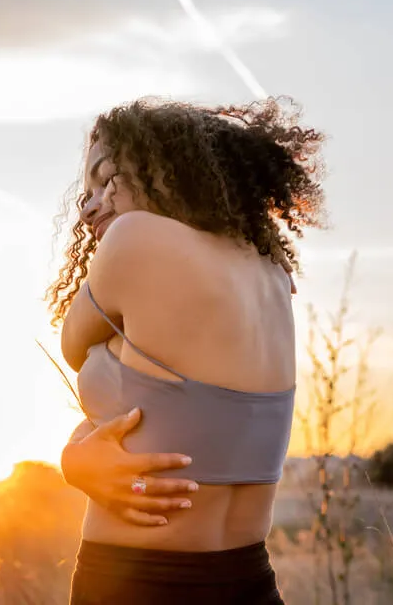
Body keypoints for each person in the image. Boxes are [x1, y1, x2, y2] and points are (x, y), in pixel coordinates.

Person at [46, 96, 325, 604]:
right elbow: (179, 417)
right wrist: (79, 457)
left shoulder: (135, 238)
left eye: (107, 180)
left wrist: (76, 460)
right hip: (252, 584)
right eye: (87, 192)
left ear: (166, 170)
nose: (88, 207)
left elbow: (71, 345)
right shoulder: (270, 273)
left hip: (135, 586)